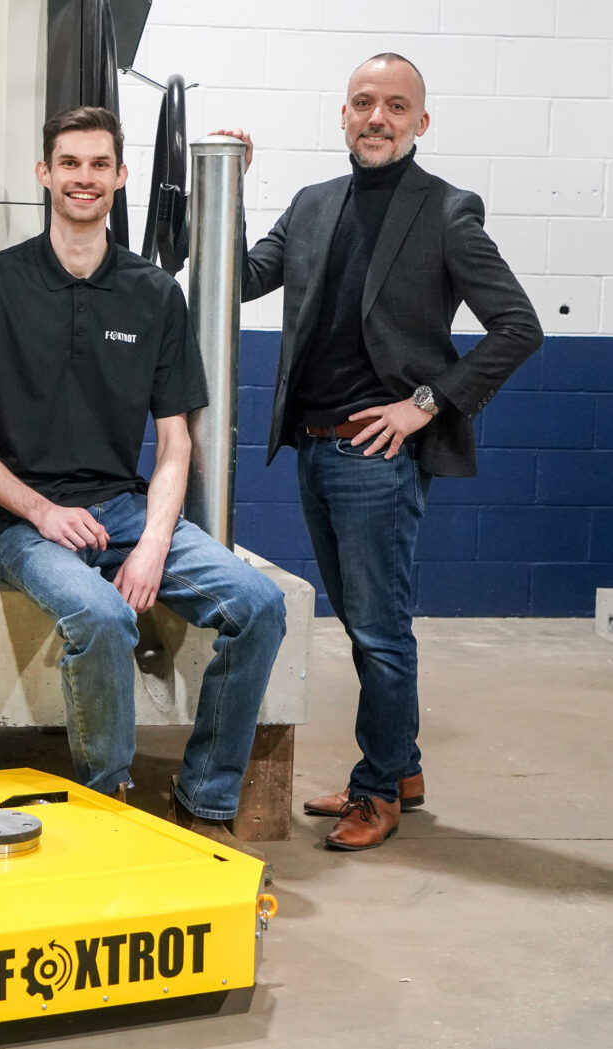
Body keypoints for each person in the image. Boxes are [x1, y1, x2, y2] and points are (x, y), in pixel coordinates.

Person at [0, 106, 286, 870]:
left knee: (259, 605)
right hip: (18, 519)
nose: (84, 178)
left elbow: (174, 441)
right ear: (45, 174)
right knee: (98, 614)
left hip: (124, 508)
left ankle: (206, 799)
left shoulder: (155, 293)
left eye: (99, 165)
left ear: (121, 177)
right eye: (70, 163)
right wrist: (39, 511)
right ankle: (107, 799)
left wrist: (156, 542)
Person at [220, 54, 543, 851]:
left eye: (396, 106)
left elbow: (518, 327)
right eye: (363, 102)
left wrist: (425, 404)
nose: (377, 117)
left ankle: (379, 794)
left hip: (377, 457)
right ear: (343, 114)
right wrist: (228, 188)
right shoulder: (312, 204)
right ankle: (401, 767)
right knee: (368, 625)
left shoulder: (446, 210)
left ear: (420, 122)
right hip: (312, 445)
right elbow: (238, 278)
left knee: (378, 631)